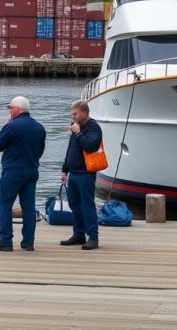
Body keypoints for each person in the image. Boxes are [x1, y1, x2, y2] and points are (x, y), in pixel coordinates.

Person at [0, 95, 46, 252]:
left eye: (10, 108)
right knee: (28, 207)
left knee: (5, 205)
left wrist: (5, 125)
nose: (9, 111)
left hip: (13, 171)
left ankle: (6, 241)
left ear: (16, 109)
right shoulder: (39, 127)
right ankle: (28, 242)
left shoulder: (12, 126)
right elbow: (40, 151)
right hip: (32, 170)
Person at [60, 100, 104, 250]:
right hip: (74, 173)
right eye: (72, 114)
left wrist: (78, 132)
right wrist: (64, 169)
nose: (73, 116)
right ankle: (79, 234)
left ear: (84, 113)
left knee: (87, 205)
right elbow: (71, 149)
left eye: (75, 114)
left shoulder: (93, 127)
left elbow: (91, 146)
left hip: (86, 174)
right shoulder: (75, 127)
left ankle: (93, 236)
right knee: (74, 204)